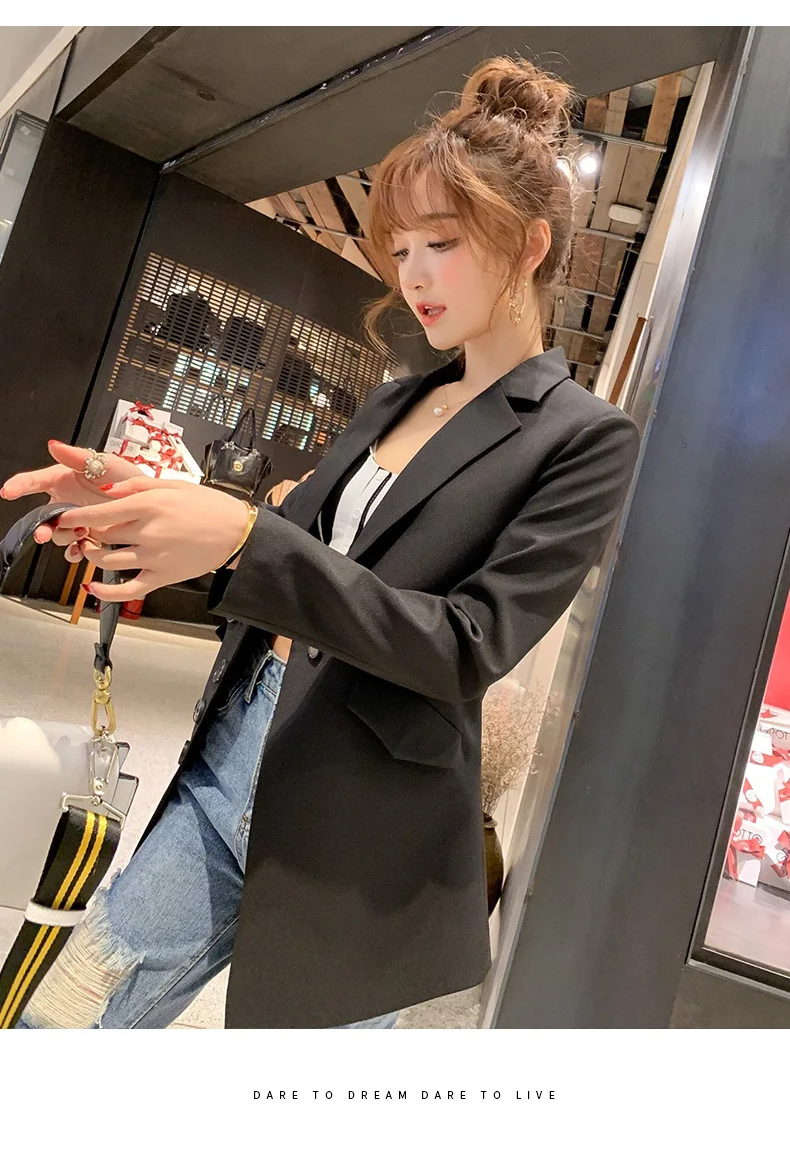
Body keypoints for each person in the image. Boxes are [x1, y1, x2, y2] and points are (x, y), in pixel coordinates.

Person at [0, 57, 640, 1029]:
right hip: (233, 758)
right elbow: (284, 564)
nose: (411, 274)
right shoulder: (396, 400)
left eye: (442, 242)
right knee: (64, 1022)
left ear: (528, 244)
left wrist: (244, 537)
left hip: (362, 837)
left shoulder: (582, 438)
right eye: (400, 246)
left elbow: (465, 644)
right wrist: (150, 511)